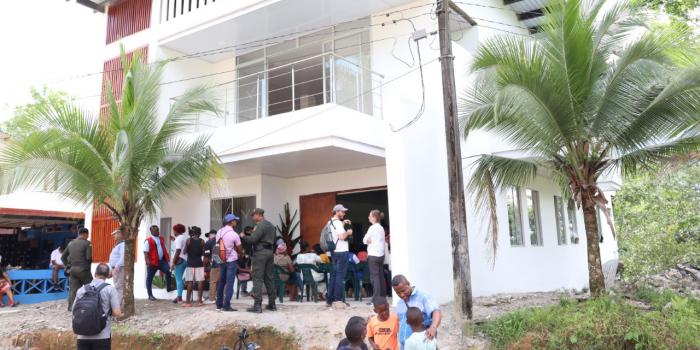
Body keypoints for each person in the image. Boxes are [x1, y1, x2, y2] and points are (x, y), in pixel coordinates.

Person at [72, 263, 123, 350]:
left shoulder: (82, 289)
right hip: (102, 335)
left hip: (82, 335)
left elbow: (74, 310)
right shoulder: (110, 289)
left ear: (95, 274)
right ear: (107, 275)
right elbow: (116, 313)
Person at [391, 275, 441, 350]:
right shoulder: (400, 304)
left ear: (408, 283)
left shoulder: (423, 296)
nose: (402, 294)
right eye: (398, 293)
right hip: (405, 346)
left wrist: (433, 327)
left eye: (403, 290)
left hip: (421, 345)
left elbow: (436, 312)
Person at [241, 208, 277, 313]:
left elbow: (253, 240)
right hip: (269, 253)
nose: (252, 217)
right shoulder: (270, 225)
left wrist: (244, 236)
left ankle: (257, 305)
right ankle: (272, 304)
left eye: (253, 215)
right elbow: (273, 240)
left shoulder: (260, 225)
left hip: (260, 253)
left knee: (257, 278)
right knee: (269, 278)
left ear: (259, 215)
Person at [327, 204, 353, 308]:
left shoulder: (330, 222)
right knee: (340, 276)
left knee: (334, 276)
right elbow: (342, 236)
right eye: (342, 211)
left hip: (334, 252)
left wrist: (343, 222)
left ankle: (330, 300)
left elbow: (335, 231)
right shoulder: (337, 223)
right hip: (342, 251)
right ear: (337, 212)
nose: (344, 213)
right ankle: (338, 300)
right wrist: (348, 232)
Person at [216, 213, 242, 312]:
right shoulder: (234, 234)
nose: (236, 222)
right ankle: (226, 305)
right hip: (231, 260)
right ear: (231, 222)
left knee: (221, 282)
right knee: (230, 283)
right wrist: (240, 253)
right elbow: (239, 249)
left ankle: (219, 304)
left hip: (221, 259)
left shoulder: (219, 232)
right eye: (235, 220)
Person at [63, 227, 93, 310]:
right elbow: (88, 257)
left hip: (72, 269)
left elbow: (63, 257)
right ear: (84, 234)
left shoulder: (71, 243)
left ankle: (71, 307)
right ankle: (90, 306)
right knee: (89, 287)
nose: (88, 236)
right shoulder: (87, 243)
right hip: (84, 269)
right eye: (87, 235)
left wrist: (67, 266)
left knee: (73, 289)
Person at [143, 225, 173, 301]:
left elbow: (163, 248)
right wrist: (147, 262)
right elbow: (145, 252)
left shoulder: (161, 238)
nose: (158, 231)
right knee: (149, 278)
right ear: (152, 231)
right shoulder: (148, 240)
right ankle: (150, 295)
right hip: (152, 262)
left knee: (168, 270)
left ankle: (168, 287)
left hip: (161, 261)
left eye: (158, 230)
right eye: (156, 230)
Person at [363, 210, 387, 302]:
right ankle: (382, 296)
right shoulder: (381, 228)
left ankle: (376, 298)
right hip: (381, 254)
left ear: (373, 217)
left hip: (373, 254)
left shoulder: (372, 228)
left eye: (369, 216)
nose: (368, 217)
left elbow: (364, 240)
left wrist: (368, 240)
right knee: (380, 275)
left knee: (374, 277)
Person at [183, 226, 205, 307]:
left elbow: (184, 251)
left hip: (190, 264)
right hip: (199, 263)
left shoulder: (188, 240)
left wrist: (189, 248)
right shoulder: (202, 241)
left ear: (192, 233)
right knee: (200, 282)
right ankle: (200, 302)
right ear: (199, 233)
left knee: (190, 282)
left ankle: (188, 302)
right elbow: (203, 253)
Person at [171, 223, 188, 304]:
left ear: (176, 231)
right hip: (185, 259)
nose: (173, 231)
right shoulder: (184, 238)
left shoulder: (178, 239)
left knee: (178, 279)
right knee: (180, 278)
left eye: (174, 230)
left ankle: (179, 297)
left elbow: (178, 250)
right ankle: (179, 296)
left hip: (179, 260)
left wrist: (173, 263)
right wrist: (174, 240)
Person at [108, 229, 125, 305]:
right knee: (117, 286)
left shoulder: (123, 244)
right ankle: (118, 304)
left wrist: (117, 267)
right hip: (115, 268)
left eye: (115, 234)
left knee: (119, 286)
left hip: (119, 268)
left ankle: (118, 305)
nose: (114, 236)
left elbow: (123, 256)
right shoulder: (118, 244)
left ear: (120, 234)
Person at [203, 230, 219, 302]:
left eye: (209, 235)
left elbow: (206, 257)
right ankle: (220, 297)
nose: (208, 237)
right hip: (224, 264)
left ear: (212, 235)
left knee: (212, 281)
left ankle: (212, 298)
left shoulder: (208, 243)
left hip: (215, 264)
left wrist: (203, 267)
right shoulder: (221, 240)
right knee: (221, 281)